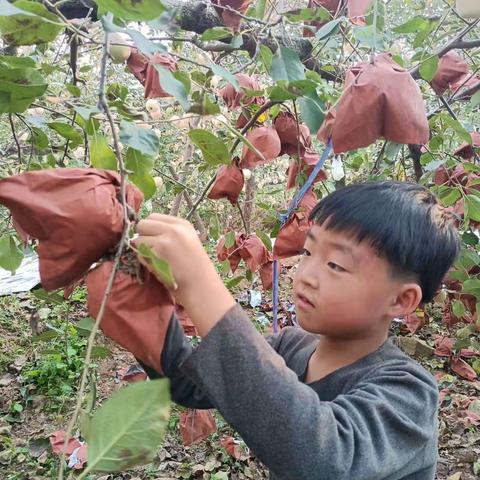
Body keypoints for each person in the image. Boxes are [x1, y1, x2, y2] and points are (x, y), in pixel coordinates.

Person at [136, 181, 460, 480]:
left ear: (401, 299)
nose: (305, 275)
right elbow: (192, 384)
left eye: (336, 265)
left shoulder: (408, 394)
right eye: (308, 252)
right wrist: (144, 312)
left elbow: (323, 460)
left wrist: (201, 287)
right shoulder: (289, 347)